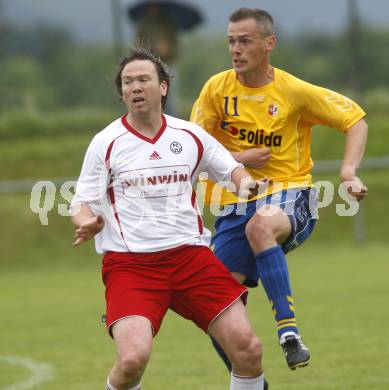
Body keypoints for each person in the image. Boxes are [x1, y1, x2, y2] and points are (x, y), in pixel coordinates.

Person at [70, 47, 269, 390]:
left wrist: (247, 184)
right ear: (122, 93)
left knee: (248, 348)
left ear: (162, 87)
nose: (135, 87)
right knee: (132, 360)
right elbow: (81, 202)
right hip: (132, 266)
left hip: (191, 257)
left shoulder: (188, 135)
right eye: (128, 82)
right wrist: (86, 221)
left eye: (143, 79)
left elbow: (230, 168)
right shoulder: (106, 142)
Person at [191, 7, 368, 371]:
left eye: (244, 41)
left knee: (261, 226)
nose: (235, 49)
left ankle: (289, 333)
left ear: (269, 43)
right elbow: (195, 147)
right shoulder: (216, 89)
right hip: (236, 205)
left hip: (290, 195)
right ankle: (253, 383)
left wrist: (348, 171)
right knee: (216, 314)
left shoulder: (293, 90)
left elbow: (355, 120)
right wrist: (240, 157)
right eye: (230, 42)